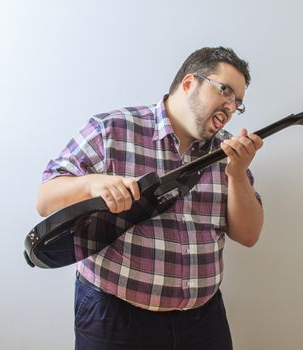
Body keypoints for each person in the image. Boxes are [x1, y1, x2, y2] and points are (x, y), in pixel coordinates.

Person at [36, 46, 264, 350]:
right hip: (115, 319)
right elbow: (45, 199)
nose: (231, 106)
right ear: (188, 83)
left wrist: (237, 175)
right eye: (225, 91)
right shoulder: (112, 129)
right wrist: (95, 185)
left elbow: (248, 235)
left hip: (203, 322)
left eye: (238, 102)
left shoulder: (229, 152)